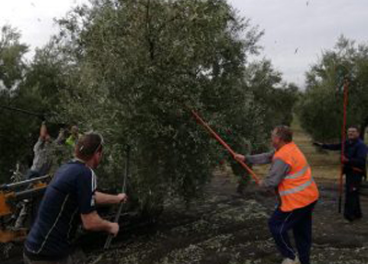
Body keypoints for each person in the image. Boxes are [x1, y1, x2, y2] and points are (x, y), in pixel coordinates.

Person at [24, 132, 128, 264]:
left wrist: (117, 198)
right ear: (97, 154)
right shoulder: (85, 173)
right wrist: (110, 226)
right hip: (48, 256)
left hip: (33, 248)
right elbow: (90, 222)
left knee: (79, 257)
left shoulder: (67, 168)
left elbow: (91, 196)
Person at [235, 126, 319, 264]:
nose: (271, 138)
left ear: (279, 139)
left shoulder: (283, 156)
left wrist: (263, 184)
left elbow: (272, 182)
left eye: (272, 136)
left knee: (275, 225)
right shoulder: (289, 147)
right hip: (310, 197)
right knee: (301, 232)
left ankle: (290, 257)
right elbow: (268, 156)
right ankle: (304, 261)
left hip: (297, 201)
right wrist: (246, 158)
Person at [314, 125, 367, 222]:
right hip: (349, 172)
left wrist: (347, 160)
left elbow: (361, 161)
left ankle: (349, 217)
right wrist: (323, 145)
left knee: (350, 194)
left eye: (353, 131)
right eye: (349, 131)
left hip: (356, 173)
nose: (350, 133)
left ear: (358, 133)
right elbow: (336, 146)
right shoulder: (347, 143)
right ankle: (357, 214)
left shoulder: (361, 145)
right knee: (353, 193)